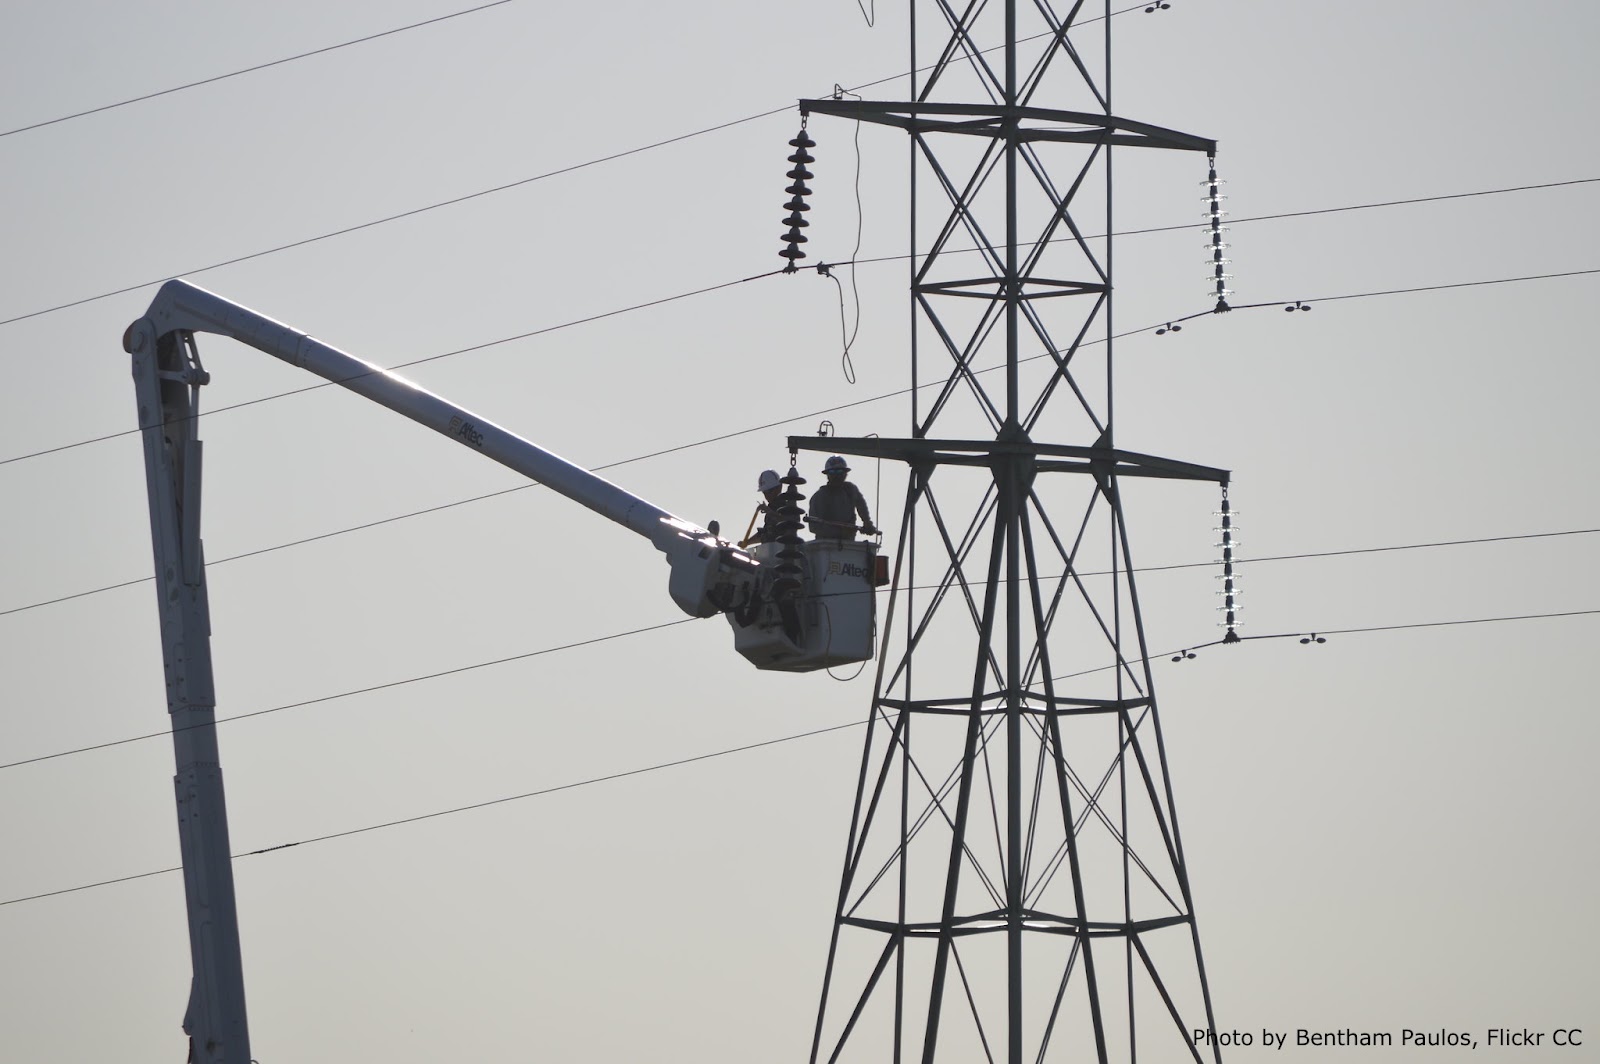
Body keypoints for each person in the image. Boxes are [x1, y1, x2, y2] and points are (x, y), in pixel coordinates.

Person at [807, 455, 876, 540]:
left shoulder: (850, 490)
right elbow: (814, 527)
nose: (837, 476)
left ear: (845, 474)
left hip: (848, 544)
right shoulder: (819, 497)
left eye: (840, 472)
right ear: (827, 475)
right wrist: (839, 532)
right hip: (826, 546)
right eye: (833, 472)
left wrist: (867, 523)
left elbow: (861, 506)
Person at [741, 468, 786, 546]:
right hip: (772, 552)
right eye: (764, 493)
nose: (767, 496)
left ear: (779, 487)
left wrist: (769, 512)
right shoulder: (771, 508)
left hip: (784, 551)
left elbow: (788, 523)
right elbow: (765, 534)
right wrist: (746, 542)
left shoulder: (787, 506)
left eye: (769, 491)